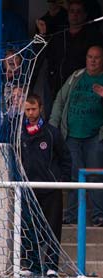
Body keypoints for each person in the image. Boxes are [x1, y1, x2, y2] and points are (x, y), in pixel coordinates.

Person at [18, 94, 72, 277]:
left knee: (53, 228)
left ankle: (51, 266)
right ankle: (30, 265)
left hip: (50, 189)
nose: (31, 113)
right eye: (27, 109)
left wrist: (62, 180)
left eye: (33, 109)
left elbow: (65, 157)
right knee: (28, 226)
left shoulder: (51, 132)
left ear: (41, 108)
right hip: (28, 190)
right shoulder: (20, 133)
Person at [49, 45, 103, 227]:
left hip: (95, 136)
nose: (93, 60)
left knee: (95, 176)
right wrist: (53, 127)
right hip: (72, 135)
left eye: (97, 57)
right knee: (73, 174)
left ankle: (98, 216)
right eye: (90, 57)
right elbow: (60, 100)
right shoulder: (76, 77)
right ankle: (70, 215)